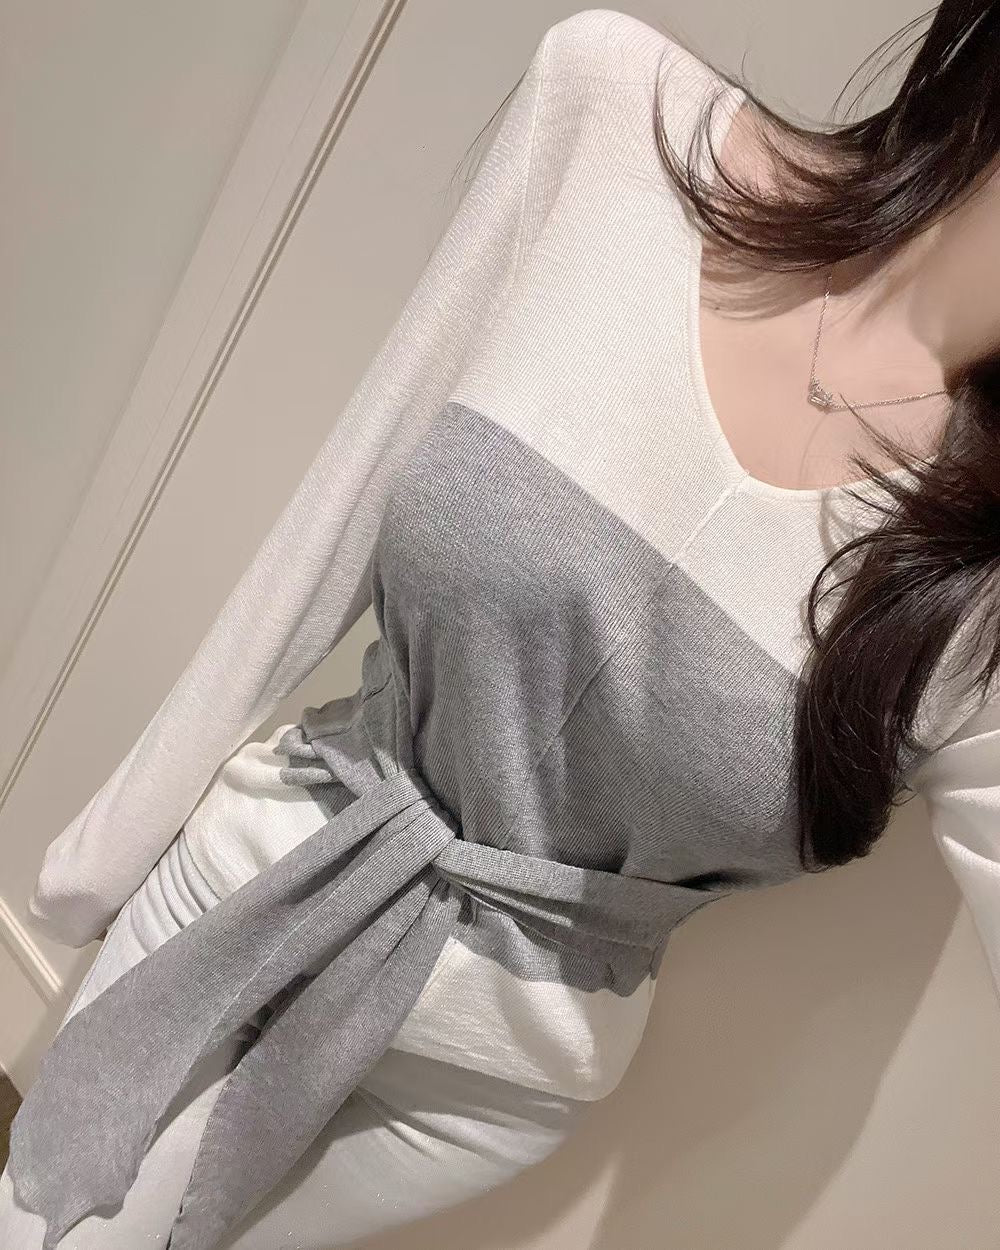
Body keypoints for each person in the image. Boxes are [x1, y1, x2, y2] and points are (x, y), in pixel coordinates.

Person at [5, 5, 1000, 1247]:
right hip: (265, 888)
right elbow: (342, 506)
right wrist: (108, 848)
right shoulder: (617, 116)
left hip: (491, 1085)